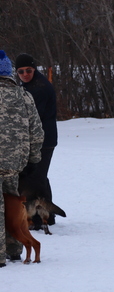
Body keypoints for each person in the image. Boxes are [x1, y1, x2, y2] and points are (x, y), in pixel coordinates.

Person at [0, 50, 44, 267]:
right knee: (12, 206)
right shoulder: (24, 96)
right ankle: (14, 249)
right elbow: (37, 132)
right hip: (15, 163)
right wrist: (34, 159)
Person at [15, 53, 59, 230]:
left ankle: (39, 218)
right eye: (21, 71)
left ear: (34, 69)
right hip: (39, 139)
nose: (25, 74)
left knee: (36, 179)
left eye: (28, 70)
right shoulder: (29, 85)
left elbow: (32, 117)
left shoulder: (39, 88)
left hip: (43, 140)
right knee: (39, 177)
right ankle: (48, 215)